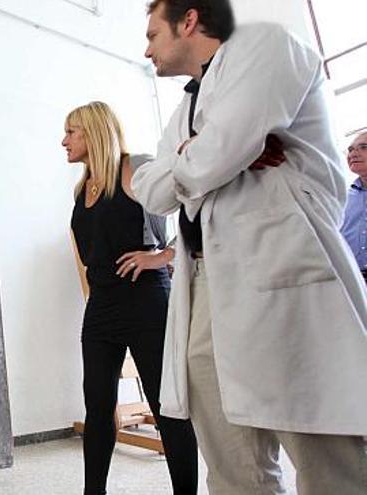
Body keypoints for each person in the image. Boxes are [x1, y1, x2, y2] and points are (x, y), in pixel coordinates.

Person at [133, 1, 367, 493]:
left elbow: (208, 159)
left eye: (154, 34)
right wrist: (212, 150)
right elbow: (151, 189)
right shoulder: (183, 109)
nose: (147, 48)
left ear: (190, 21)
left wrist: (203, 154)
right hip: (200, 285)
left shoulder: (266, 45)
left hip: (279, 272)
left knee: (325, 455)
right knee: (230, 462)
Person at [65, 101, 198, 495]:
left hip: (145, 301)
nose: (64, 140)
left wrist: (162, 255)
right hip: (101, 305)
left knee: (165, 407)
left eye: (72, 131)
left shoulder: (134, 167)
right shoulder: (83, 186)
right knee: (98, 406)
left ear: (94, 131)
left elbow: (193, 203)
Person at [341, 132, 367, 282]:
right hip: (353, 279)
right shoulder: (341, 197)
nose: (353, 154)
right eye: (350, 149)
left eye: (363, 147)